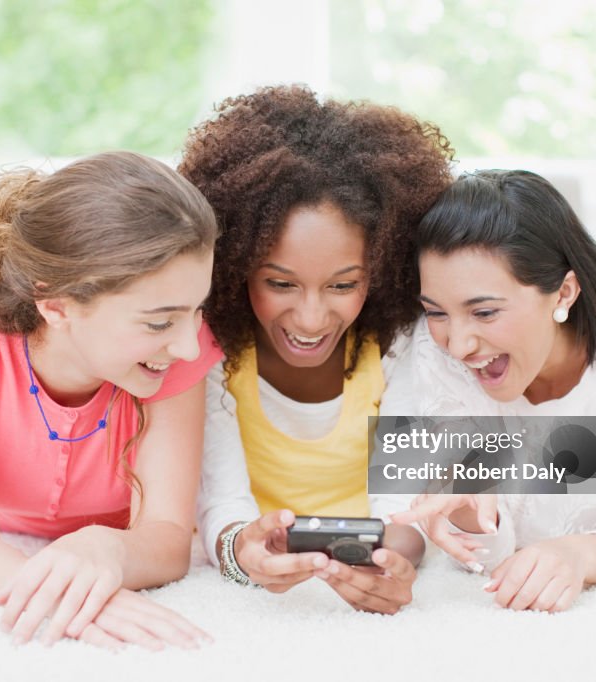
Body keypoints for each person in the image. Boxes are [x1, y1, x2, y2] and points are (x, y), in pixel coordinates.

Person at [0, 151, 221, 650]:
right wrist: (78, 595)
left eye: (197, 310)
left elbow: (169, 536)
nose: (191, 347)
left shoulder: (175, 344)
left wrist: (108, 550)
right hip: (7, 522)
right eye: (158, 322)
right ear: (56, 306)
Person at [177, 84, 456, 614]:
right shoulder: (209, 352)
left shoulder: (398, 346)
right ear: (234, 268)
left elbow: (404, 508)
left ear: (381, 272)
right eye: (280, 284)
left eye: (343, 285)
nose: (310, 318)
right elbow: (222, 504)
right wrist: (243, 553)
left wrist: (389, 563)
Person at [390, 169, 596, 612]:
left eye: (485, 312)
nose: (458, 343)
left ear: (564, 292)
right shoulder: (437, 351)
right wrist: (469, 511)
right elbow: (487, 552)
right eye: (436, 312)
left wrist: (579, 555)